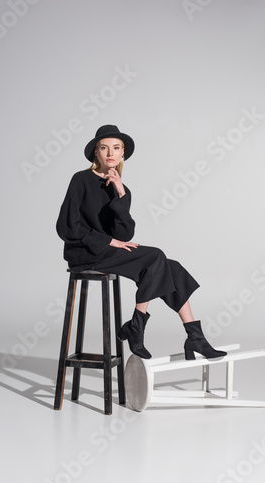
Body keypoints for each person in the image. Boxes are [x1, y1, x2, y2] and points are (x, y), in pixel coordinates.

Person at [56, 124, 227, 361]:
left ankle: (194, 336)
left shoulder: (122, 189)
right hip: (85, 253)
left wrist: (120, 194)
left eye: (116, 148)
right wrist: (108, 241)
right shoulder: (81, 179)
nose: (110, 153)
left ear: (123, 153)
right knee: (156, 255)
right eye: (104, 148)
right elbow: (66, 226)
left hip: (107, 252)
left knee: (171, 266)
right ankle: (137, 325)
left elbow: (125, 233)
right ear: (96, 152)